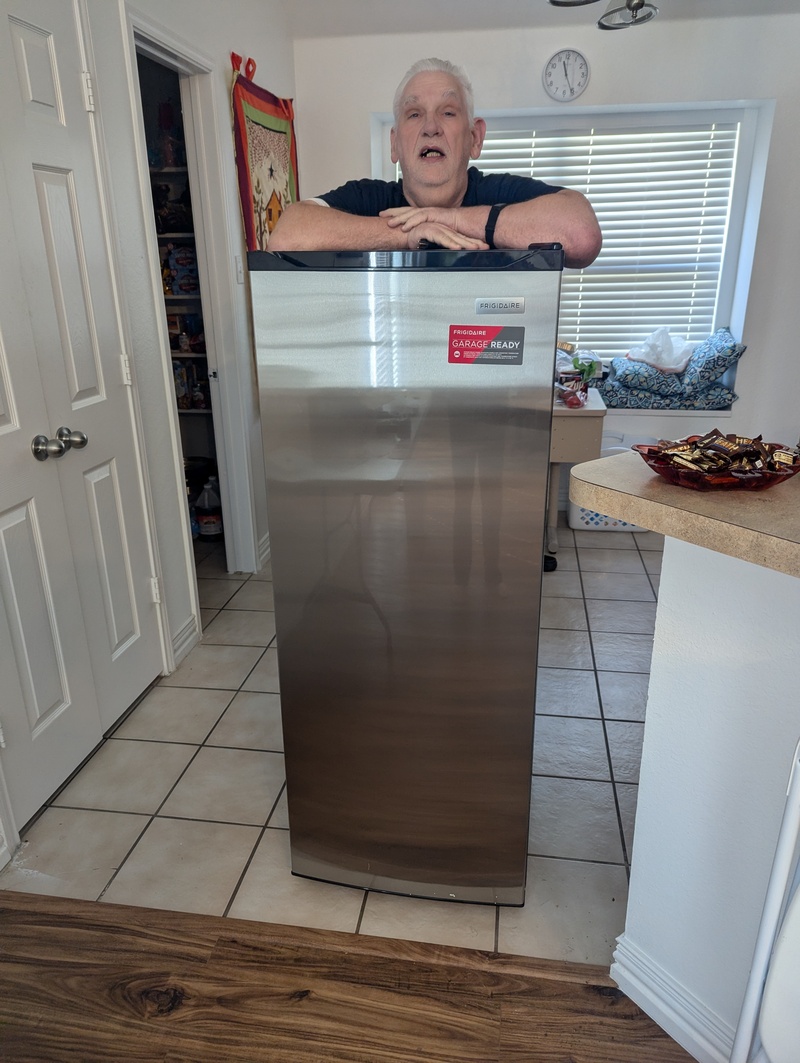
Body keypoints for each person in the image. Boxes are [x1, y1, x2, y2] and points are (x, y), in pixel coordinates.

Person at [268, 57, 602, 269]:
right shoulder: (367, 199)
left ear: (475, 138)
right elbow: (286, 238)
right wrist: (411, 233)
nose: (431, 126)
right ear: (395, 143)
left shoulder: (504, 192)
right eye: (415, 114)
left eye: (448, 112)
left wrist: (449, 219)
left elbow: (582, 236)